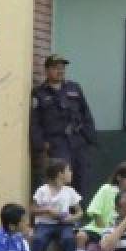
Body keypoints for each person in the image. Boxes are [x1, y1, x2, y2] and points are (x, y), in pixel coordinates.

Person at [30, 54, 97, 198]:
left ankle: (78, 216)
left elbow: (86, 114)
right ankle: (63, 215)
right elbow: (35, 122)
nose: (60, 71)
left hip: (78, 141)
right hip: (57, 143)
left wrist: (89, 138)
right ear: (47, 70)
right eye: (56, 68)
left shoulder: (74, 88)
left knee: (82, 179)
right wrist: (41, 145)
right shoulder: (39, 93)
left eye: (62, 68)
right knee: (61, 180)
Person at [30, 158, 82, 251]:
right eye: (68, 170)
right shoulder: (42, 190)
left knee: (68, 239)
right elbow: (33, 210)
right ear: (60, 174)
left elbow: (80, 212)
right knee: (38, 240)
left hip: (64, 224)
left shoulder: (69, 191)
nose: (71, 173)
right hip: (45, 224)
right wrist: (47, 210)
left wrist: (71, 218)